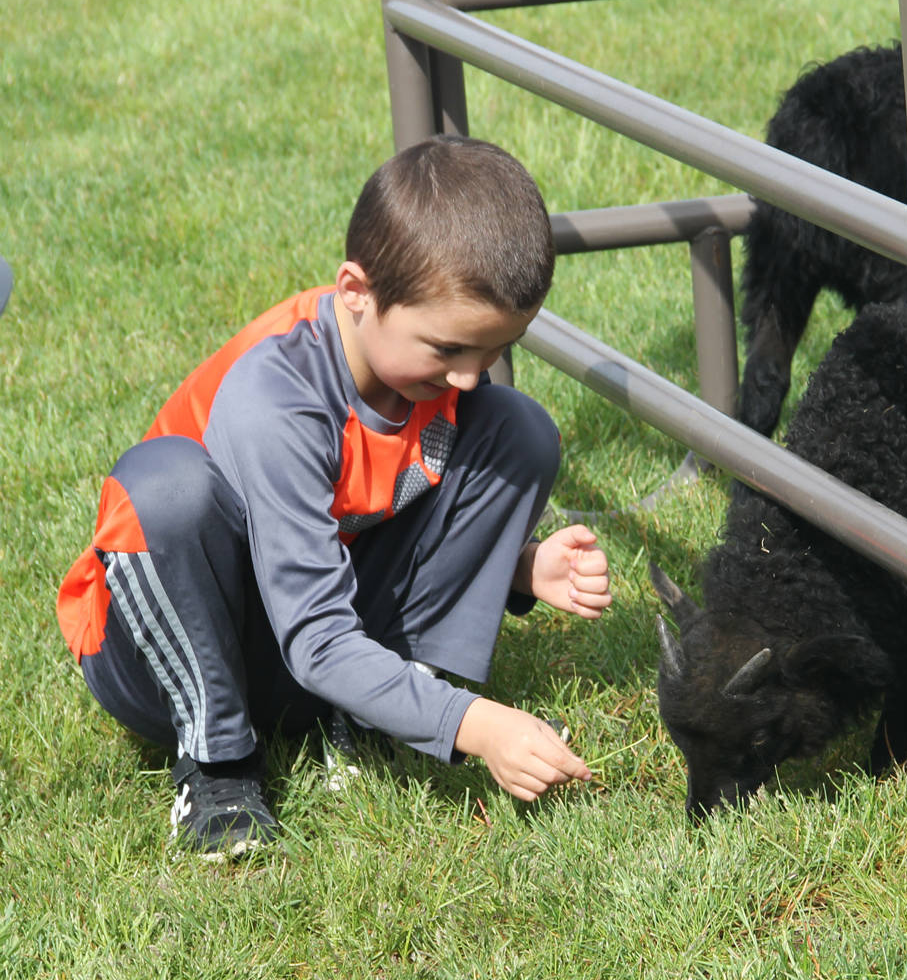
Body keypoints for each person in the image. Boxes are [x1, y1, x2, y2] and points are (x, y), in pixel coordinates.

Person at [56, 135, 611, 861]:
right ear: (355, 293)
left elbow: (365, 512)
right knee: (168, 488)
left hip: (294, 619)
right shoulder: (276, 399)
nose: (471, 377)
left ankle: (374, 704)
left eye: (493, 351)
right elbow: (315, 636)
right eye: (448, 350)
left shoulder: (419, 374)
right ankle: (219, 763)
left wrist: (517, 564)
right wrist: (480, 726)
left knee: (519, 429)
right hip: (163, 647)